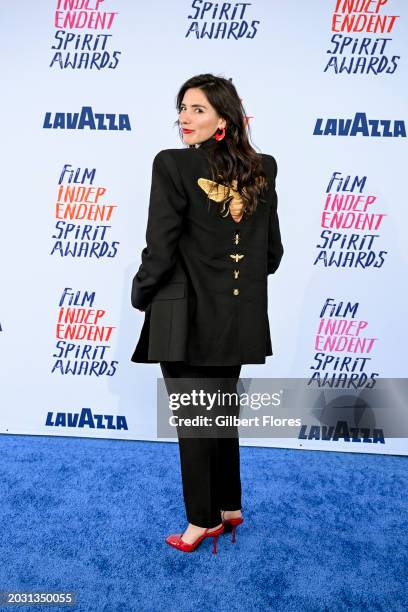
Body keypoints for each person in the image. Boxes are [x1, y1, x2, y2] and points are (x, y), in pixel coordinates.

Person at [130, 74, 283, 554]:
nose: (183, 118)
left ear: (223, 118)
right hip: (238, 318)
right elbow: (272, 255)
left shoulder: (171, 164)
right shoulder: (262, 168)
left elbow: (161, 246)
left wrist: (141, 293)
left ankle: (201, 522)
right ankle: (229, 506)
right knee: (220, 415)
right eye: (182, 108)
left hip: (185, 319)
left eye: (197, 109)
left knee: (196, 423)